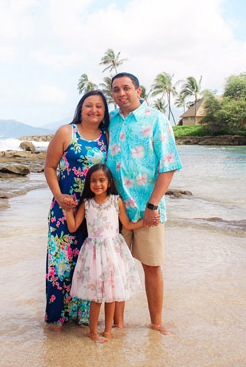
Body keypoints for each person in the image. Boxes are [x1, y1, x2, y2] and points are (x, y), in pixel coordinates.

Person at [107, 72, 182, 335]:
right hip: (114, 209)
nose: (121, 93)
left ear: (138, 91)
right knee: (115, 266)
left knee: (151, 266)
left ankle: (156, 323)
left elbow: (168, 166)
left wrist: (152, 205)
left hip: (147, 209)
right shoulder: (110, 122)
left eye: (126, 88)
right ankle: (117, 323)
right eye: (116, 89)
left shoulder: (156, 120)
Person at [43, 90, 110, 327]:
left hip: (94, 213)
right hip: (64, 209)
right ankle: (57, 320)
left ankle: (83, 319)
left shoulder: (107, 137)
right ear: (81, 108)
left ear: (105, 112)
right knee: (61, 264)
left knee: (89, 264)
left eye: (99, 106)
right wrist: (59, 196)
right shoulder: (66, 132)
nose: (93, 110)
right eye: (88, 105)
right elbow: (49, 167)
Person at [64, 164, 142, 343]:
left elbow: (127, 225)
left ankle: (108, 331)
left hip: (113, 252)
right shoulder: (87, 204)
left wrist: (145, 222)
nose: (97, 184)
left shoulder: (116, 201)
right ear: (88, 183)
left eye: (101, 180)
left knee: (112, 294)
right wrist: (68, 210)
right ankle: (93, 332)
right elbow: (73, 227)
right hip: (93, 254)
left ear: (109, 183)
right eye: (93, 181)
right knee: (96, 296)